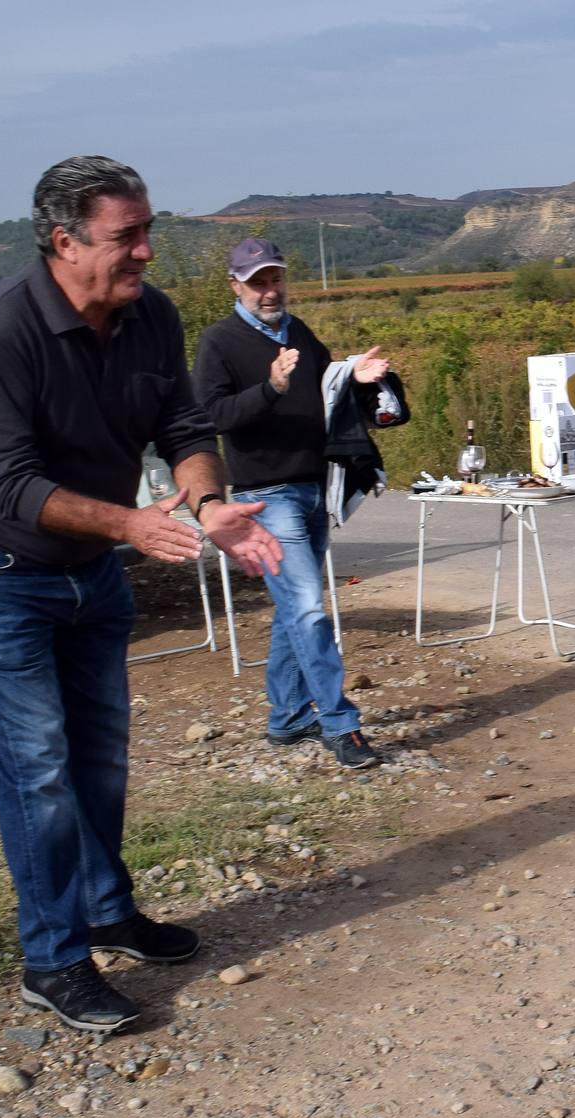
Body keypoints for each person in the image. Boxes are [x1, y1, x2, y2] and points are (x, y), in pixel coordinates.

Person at [0, 156, 284, 1034]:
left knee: (100, 758)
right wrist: (129, 525)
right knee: (39, 769)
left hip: (85, 568)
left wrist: (206, 504)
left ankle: (108, 911)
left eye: (148, 230)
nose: (147, 251)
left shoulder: (149, 317)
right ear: (65, 241)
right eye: (128, 236)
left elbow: (184, 428)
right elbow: (5, 481)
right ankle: (53, 960)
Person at [192, 237, 389, 768]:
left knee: (291, 613)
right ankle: (339, 722)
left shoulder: (299, 331)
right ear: (235, 285)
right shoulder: (219, 342)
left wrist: (356, 376)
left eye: (275, 278)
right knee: (306, 608)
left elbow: (326, 387)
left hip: (312, 489)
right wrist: (271, 388)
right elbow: (211, 415)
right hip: (265, 498)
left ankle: (286, 718)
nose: (269, 290)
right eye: (257, 282)